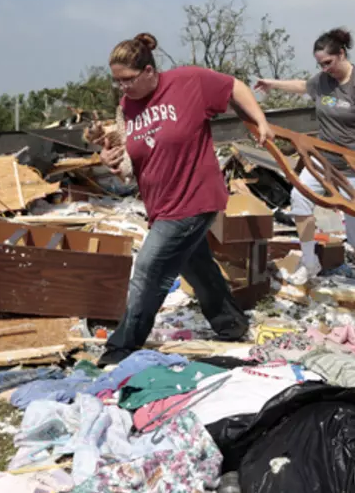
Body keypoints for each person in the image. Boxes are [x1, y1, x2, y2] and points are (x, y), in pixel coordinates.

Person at [93, 32, 274, 366]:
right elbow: (132, 165)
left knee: (149, 268)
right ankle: (230, 323)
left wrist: (261, 120)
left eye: (128, 80)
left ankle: (122, 346)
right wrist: (114, 163)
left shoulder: (189, 82)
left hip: (195, 198)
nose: (123, 88)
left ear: (149, 70)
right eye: (117, 82)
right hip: (160, 204)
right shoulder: (127, 107)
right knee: (196, 265)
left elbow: (234, 86)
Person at [255, 27, 355, 287]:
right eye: (320, 64)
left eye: (328, 63)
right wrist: (272, 83)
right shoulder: (323, 81)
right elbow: (304, 86)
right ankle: (309, 262)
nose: (325, 68)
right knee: (299, 197)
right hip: (324, 160)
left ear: (341, 54)